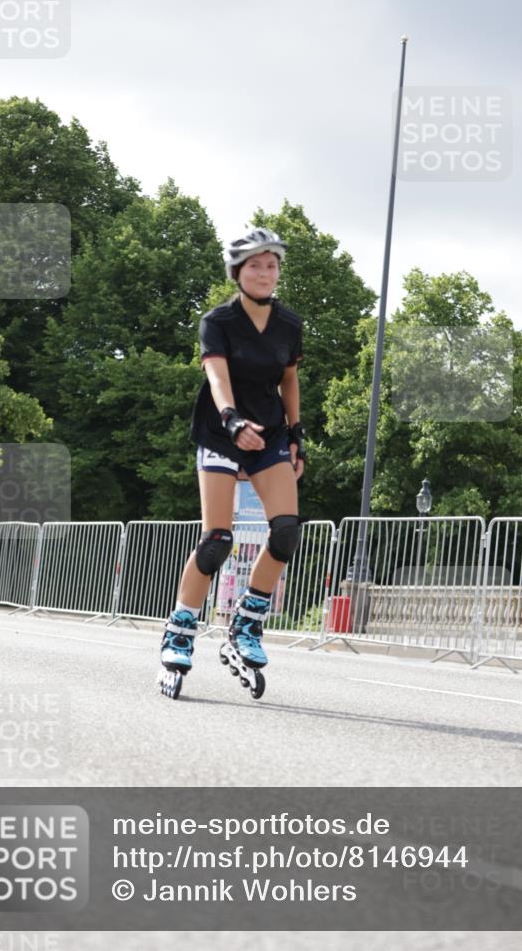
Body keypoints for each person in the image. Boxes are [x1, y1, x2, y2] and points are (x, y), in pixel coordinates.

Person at [158, 227, 306, 699]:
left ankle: (245, 623)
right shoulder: (216, 321)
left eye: (272, 264)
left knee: (285, 532)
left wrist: (296, 433)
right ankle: (180, 629)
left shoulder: (289, 324)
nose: (265, 273)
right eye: (255, 265)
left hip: (268, 434)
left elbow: (288, 380)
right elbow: (217, 378)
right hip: (221, 432)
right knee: (218, 539)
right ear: (238, 272)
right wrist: (230, 418)